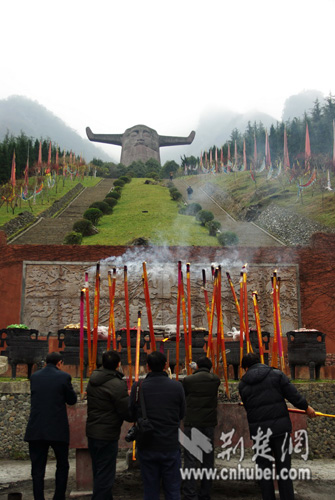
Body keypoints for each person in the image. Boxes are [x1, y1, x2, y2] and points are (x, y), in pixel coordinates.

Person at [239, 353, 316, 500]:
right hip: (280, 430)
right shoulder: (276, 375)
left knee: (264, 470)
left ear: (246, 368)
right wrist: (306, 408)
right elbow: (293, 395)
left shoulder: (243, 384)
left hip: (259, 433)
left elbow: (248, 406)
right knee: (283, 468)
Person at [129, 351, 185, 500]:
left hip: (147, 444)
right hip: (170, 444)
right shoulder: (177, 386)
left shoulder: (138, 386)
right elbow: (181, 414)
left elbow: (131, 414)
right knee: (173, 489)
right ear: (166, 366)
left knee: (150, 489)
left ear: (147, 367)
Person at [24, 351, 77, 500]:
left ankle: (38, 497)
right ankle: (58, 497)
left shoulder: (34, 377)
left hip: (37, 428)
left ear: (46, 362)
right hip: (57, 428)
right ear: (60, 363)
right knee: (62, 464)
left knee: (37, 468)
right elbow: (71, 400)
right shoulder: (64, 377)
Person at [86, 350, 131, 500]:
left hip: (92, 431)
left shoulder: (93, 380)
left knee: (98, 470)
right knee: (106, 474)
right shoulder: (117, 384)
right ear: (118, 364)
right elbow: (125, 410)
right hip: (107, 433)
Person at [182, 356, 220, 500]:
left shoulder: (188, 380)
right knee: (207, 460)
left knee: (190, 459)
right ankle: (205, 492)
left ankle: (190, 493)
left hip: (192, 423)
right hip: (208, 423)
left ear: (196, 366)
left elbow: (184, 396)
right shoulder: (215, 380)